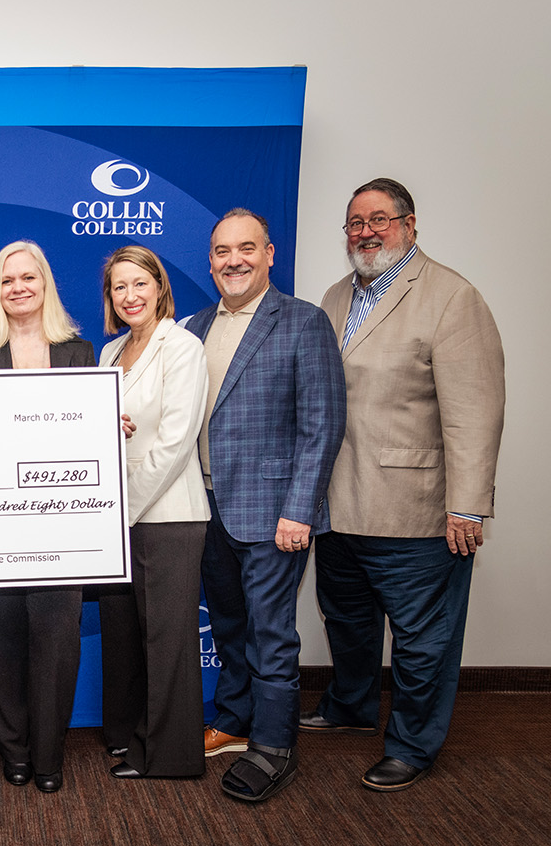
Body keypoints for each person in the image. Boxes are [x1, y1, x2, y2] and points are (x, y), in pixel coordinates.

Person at [305, 178, 505, 792]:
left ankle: (414, 745)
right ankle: (351, 708)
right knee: (348, 620)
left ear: (410, 225)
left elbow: (476, 409)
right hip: (338, 504)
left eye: (380, 220)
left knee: (422, 640)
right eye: (355, 222)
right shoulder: (336, 296)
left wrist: (467, 506)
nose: (366, 231)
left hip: (414, 510)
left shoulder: (451, 297)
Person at [186, 210, 346, 802]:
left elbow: (323, 425)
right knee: (228, 626)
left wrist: (300, 509)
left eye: (246, 248)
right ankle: (233, 719)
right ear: (210, 261)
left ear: (269, 254)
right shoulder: (193, 326)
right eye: (222, 251)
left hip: (275, 511)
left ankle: (275, 746)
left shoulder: (303, 323)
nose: (234, 260)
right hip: (205, 507)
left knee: (271, 633)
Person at [0, 241, 94, 792]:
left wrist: (111, 427)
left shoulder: (80, 352)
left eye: (28, 278)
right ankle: (13, 749)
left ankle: (48, 755)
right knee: (2, 641)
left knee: (57, 646)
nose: (18, 288)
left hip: (62, 528)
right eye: (7, 280)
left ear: (45, 284)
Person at [96, 245, 210, 781]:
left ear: (159, 287)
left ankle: (171, 758)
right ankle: (131, 738)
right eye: (120, 287)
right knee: (128, 639)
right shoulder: (109, 352)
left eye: (139, 283)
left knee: (166, 640)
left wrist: (124, 509)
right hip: (118, 518)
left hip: (167, 514)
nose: (130, 295)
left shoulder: (182, 347)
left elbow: (175, 442)